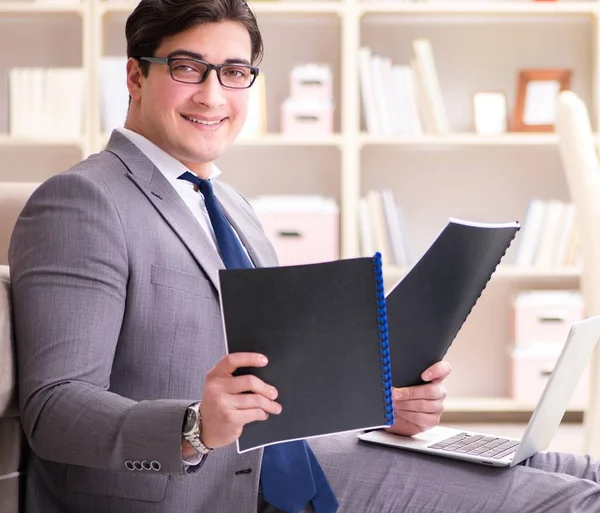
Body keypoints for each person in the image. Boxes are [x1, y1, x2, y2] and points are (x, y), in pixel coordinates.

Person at [7, 0, 600, 511]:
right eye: (188, 68)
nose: (213, 95)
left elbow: (277, 385)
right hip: (204, 491)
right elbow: (54, 410)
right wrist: (194, 427)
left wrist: (375, 408)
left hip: (292, 461)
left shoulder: (232, 204)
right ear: (135, 76)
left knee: (581, 471)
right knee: (575, 501)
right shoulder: (83, 201)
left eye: (234, 72)